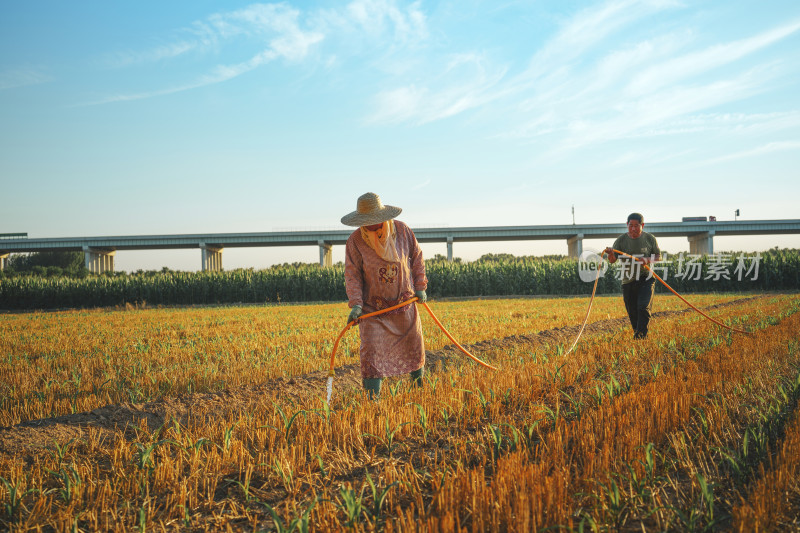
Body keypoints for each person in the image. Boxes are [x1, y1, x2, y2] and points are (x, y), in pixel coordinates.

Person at [342, 192, 428, 398]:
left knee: (414, 345)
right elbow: (352, 274)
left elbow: (416, 257)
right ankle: (373, 400)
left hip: (404, 304)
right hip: (374, 311)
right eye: (366, 223)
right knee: (371, 352)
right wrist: (356, 304)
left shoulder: (403, 231)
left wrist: (420, 285)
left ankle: (419, 390)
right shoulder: (355, 242)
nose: (371, 226)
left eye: (375, 222)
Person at [604, 213, 661, 339]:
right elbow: (613, 260)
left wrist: (646, 259)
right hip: (628, 281)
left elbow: (658, 256)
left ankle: (641, 336)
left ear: (642, 225)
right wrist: (610, 254)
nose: (633, 229)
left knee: (643, 307)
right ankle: (638, 332)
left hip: (646, 278)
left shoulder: (649, 239)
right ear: (627, 225)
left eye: (636, 225)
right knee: (632, 311)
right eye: (631, 226)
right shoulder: (621, 241)